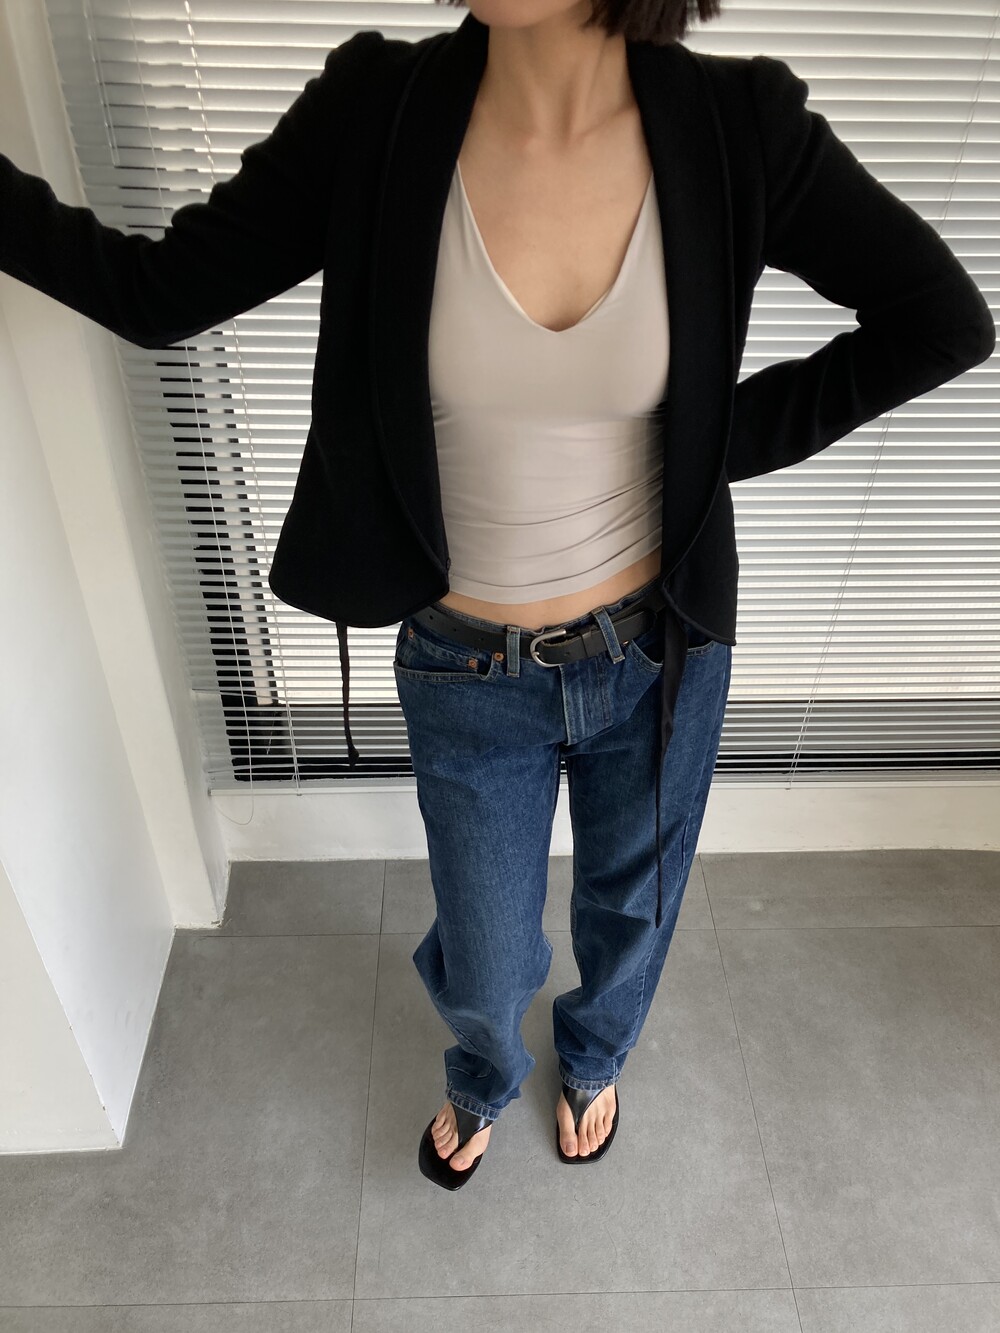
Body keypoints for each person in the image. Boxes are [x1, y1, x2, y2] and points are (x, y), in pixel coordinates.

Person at [1, 0, 992, 1194]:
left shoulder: (741, 126)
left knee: (634, 910)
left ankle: (598, 1054)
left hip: (656, 653)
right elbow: (155, 292)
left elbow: (939, 321)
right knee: (483, 950)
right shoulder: (379, 110)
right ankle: (482, 1067)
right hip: (464, 664)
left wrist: (710, 441)